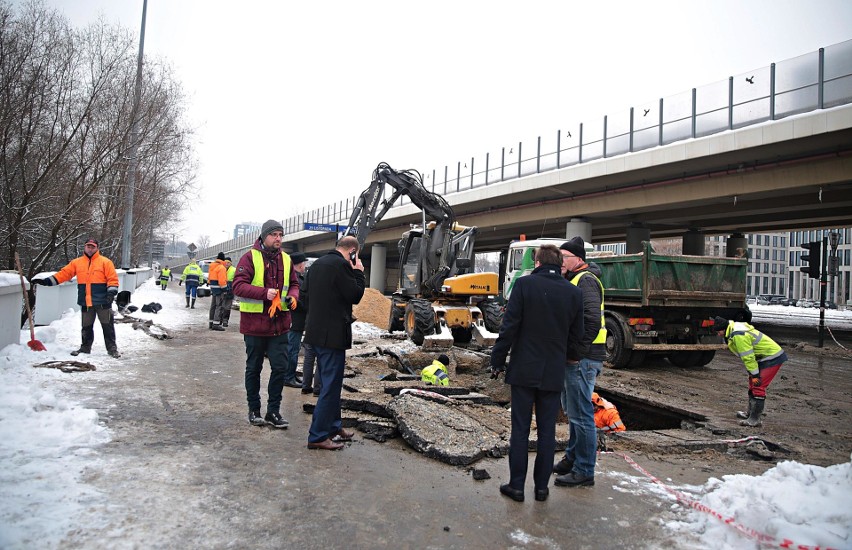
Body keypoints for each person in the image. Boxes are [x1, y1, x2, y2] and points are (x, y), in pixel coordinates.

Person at [490, 244, 584, 502]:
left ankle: (517, 487)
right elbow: (577, 337)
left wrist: (497, 359)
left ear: (538, 262)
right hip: (553, 371)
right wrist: (569, 358)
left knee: (520, 430)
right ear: (558, 264)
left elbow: (509, 327)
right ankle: (542, 489)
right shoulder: (573, 293)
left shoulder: (524, 285)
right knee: (547, 432)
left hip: (523, 369)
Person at [232, 220, 300, 428]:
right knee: (254, 368)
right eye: (274, 235)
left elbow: (295, 284)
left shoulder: (287, 259)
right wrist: (264, 294)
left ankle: (274, 411)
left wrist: (293, 297)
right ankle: (254, 410)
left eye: (281, 234)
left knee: (280, 368)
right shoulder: (250, 257)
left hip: (279, 326)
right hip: (255, 326)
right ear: (263, 237)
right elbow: (238, 286)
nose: (278, 238)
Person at [554, 236, 607, 488]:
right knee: (573, 410)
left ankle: (584, 469)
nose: (560, 261)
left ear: (578, 259)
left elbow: (591, 319)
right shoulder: (574, 279)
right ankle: (573, 458)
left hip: (583, 358)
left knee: (581, 414)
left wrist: (576, 352)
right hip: (577, 356)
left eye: (564, 257)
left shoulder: (585, 280)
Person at [303, 235, 365, 450]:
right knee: (330, 386)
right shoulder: (341, 265)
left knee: (333, 382)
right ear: (352, 252)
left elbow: (305, 297)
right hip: (332, 336)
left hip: (315, 333)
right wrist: (358, 272)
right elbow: (355, 295)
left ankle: (333, 426)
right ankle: (318, 435)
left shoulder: (317, 265)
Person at [32, 238, 121, 358]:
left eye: (93, 246)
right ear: (84, 247)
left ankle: (112, 349)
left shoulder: (105, 262)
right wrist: (46, 282)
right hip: (86, 301)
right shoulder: (77, 263)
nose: (90, 249)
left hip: (103, 301)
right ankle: (85, 348)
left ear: (97, 248)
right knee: (86, 327)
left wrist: (111, 293)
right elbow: (64, 274)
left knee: (107, 326)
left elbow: (112, 279)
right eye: (88, 246)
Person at [713, 316, 787, 427]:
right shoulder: (734, 328)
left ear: (723, 329)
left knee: (758, 385)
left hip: (771, 357)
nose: (718, 334)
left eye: (718, 332)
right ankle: (750, 414)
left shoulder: (738, 335)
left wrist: (755, 374)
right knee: (753, 384)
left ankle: (754, 419)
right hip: (764, 357)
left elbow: (748, 357)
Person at [284, 253, 308, 389]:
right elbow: (297, 301)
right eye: (304, 263)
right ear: (299, 264)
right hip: (294, 319)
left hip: (296, 319)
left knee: (294, 348)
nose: (305, 265)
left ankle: (291, 375)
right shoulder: (295, 280)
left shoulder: (297, 278)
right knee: (292, 349)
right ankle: (288, 377)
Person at [208, 252, 228, 331]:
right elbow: (222, 281)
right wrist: (225, 290)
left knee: (213, 306)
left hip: (213, 288)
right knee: (219, 306)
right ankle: (216, 324)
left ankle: (211, 323)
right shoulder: (221, 267)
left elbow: (209, 278)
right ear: (223, 259)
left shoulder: (212, 266)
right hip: (219, 289)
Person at [221, 257, 236, 328]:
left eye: (228, 262)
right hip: (222, 289)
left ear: (231, 263)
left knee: (227, 306)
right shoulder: (221, 269)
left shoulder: (234, 270)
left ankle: (225, 320)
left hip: (230, 290)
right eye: (225, 262)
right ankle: (219, 319)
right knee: (221, 305)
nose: (226, 264)